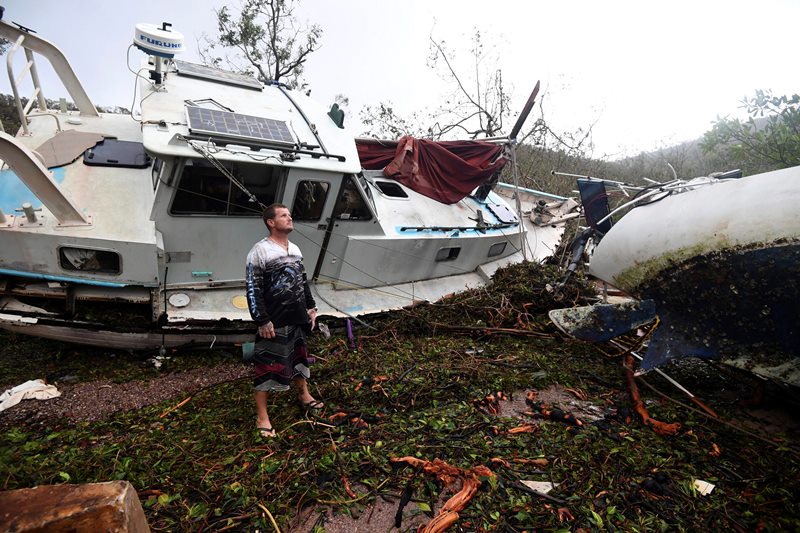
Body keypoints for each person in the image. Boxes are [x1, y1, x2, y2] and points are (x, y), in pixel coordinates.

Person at [245, 203, 323, 438]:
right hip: (274, 321)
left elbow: (302, 281)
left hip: (297, 317)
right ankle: (262, 416)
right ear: (271, 222)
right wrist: (262, 320)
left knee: (299, 358)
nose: (290, 218)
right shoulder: (259, 251)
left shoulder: (295, 249)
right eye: (283, 215)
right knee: (266, 367)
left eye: (290, 214)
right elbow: (252, 288)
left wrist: (311, 307)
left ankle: (304, 396)